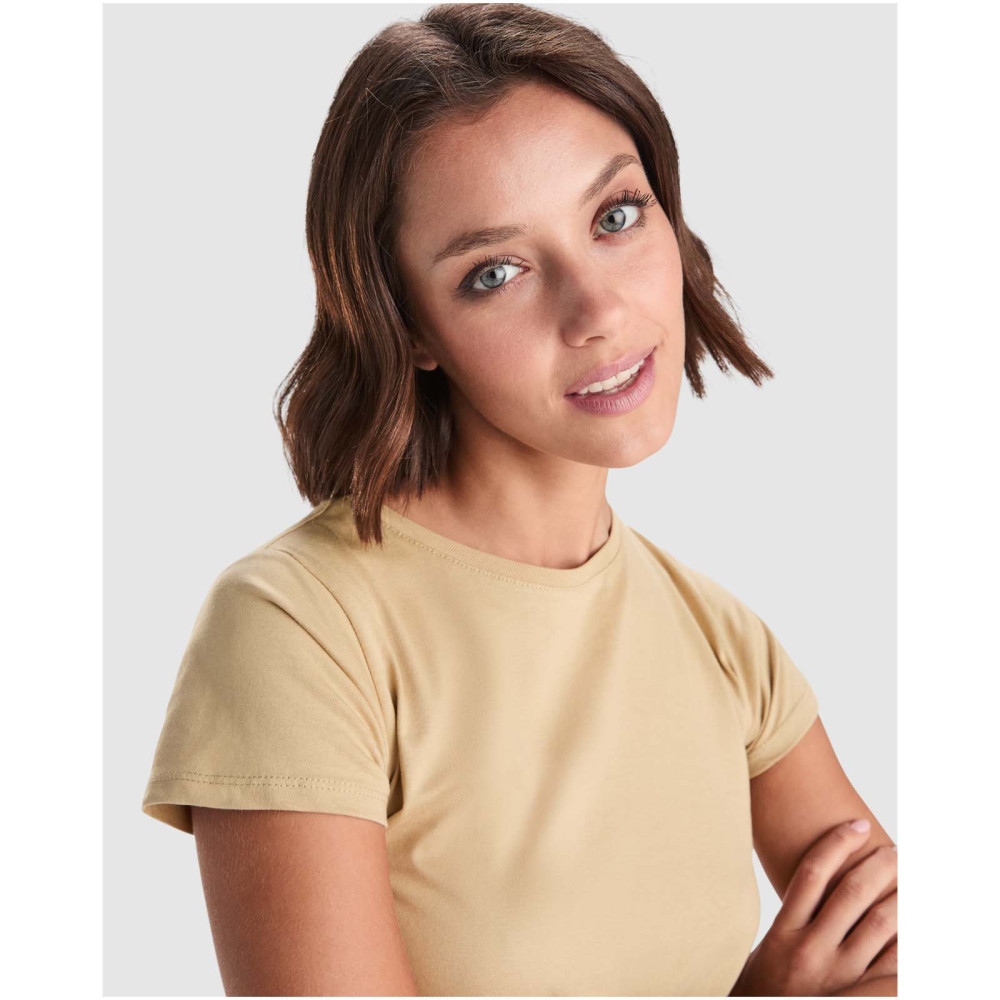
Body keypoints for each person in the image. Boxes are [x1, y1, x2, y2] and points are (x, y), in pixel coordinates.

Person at [140, 4, 897, 996]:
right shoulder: (301, 629)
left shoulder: (722, 642)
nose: (597, 310)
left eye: (615, 215)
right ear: (407, 325)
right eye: (495, 273)